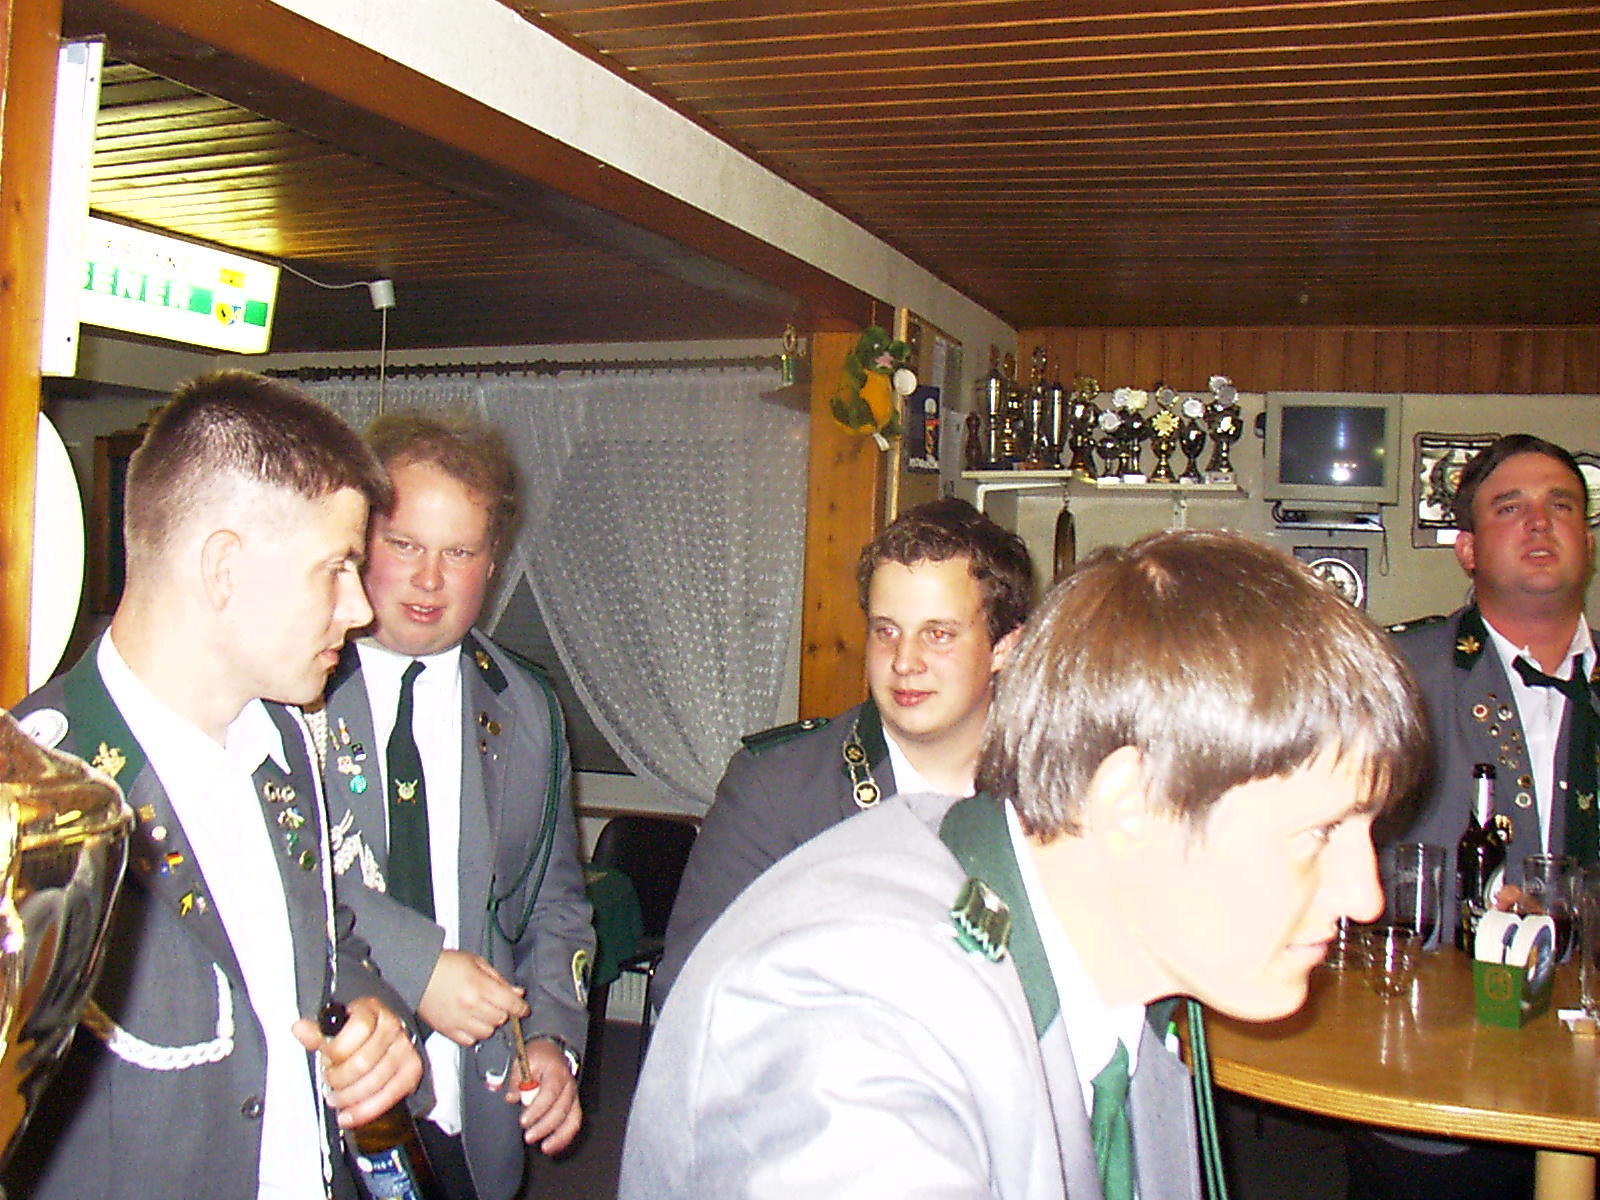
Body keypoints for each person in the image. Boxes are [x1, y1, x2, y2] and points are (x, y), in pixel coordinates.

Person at [620, 529, 1427, 1199]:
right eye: (1318, 831)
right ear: (1129, 806)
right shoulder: (852, 1019)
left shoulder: (1135, 984)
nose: (1365, 897)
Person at [4, 371, 424, 1200]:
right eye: (337, 567)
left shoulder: (286, 744)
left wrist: (369, 1013)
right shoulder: (34, 800)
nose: (360, 609)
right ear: (225, 567)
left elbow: (323, 946)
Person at [317, 411, 593, 1200]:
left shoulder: (526, 706)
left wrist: (553, 1039)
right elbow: (263, 879)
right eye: (404, 545)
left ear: (492, 562)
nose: (430, 580)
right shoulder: (291, 689)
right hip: (326, 1106)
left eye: (459, 552)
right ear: (358, 542)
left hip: (475, 1111)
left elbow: (553, 904)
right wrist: (416, 967)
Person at [656, 497, 1034, 1000]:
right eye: (887, 631)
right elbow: (691, 990)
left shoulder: (1055, 792)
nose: (904, 661)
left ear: (1004, 647)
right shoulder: (777, 792)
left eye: (938, 634)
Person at [1364, 433, 1596, 1200]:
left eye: (1562, 505)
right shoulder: (1396, 675)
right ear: (1466, 549)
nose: (1541, 522)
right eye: (1510, 507)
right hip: (1437, 1082)